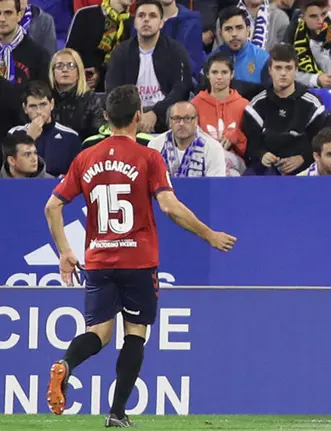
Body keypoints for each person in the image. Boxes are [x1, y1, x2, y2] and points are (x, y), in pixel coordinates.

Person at [43, 85, 236, 427]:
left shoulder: (85, 157)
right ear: (138, 118)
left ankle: (67, 364)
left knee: (99, 334)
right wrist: (209, 234)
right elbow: (169, 206)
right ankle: (117, 412)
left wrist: (65, 252)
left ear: (105, 118)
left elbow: (53, 206)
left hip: (99, 261)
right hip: (138, 261)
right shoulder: (149, 157)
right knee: (135, 333)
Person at [106, 0, 193, 133]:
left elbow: (181, 88)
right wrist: (134, 116)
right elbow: (113, 90)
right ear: (134, 22)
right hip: (129, 119)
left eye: (152, 16)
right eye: (141, 16)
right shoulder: (120, 53)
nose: (146, 20)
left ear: (161, 22)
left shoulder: (176, 51)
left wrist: (155, 113)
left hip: (166, 118)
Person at [243, 43, 327, 175]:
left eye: (288, 68)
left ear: (295, 70)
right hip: (267, 170)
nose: (283, 73)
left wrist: (303, 158)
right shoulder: (256, 105)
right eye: (278, 68)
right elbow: (252, 144)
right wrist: (262, 155)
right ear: (270, 70)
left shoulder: (313, 105)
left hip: (304, 169)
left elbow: (320, 143)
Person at [191, 52, 250, 176]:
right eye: (214, 72)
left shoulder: (244, 105)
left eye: (224, 72)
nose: (219, 77)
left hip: (235, 160)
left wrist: (237, 137)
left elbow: (252, 145)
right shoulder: (195, 104)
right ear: (207, 74)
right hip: (203, 161)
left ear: (232, 74)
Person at [9, 81, 81, 177]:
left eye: (43, 104)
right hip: (23, 188)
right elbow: (9, 172)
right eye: (33, 106)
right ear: (25, 108)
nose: (38, 111)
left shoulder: (70, 136)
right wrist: (29, 138)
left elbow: (78, 174)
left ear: (51, 104)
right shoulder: (14, 133)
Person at [65, 0, 134, 91]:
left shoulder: (133, 23)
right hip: (82, 87)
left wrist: (100, 74)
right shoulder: (85, 14)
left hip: (115, 91)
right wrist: (83, 74)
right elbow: (69, 54)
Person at [147, 101, 227, 177]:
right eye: (176, 118)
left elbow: (215, 187)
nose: (181, 123)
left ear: (196, 121)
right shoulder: (155, 146)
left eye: (187, 118)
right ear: (170, 122)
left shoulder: (213, 148)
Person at [48, 48, 105, 139]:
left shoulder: (92, 101)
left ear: (79, 71)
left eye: (70, 65)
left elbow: (96, 138)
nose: (65, 70)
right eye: (59, 66)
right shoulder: (45, 99)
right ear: (52, 72)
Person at [213, 6, 270, 85]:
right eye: (228, 29)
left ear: (248, 31)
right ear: (220, 33)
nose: (234, 34)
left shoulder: (263, 59)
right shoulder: (211, 61)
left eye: (239, 28)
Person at [0, 0, 50, 85]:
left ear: (19, 15)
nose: (2, 19)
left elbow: (42, 94)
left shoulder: (38, 55)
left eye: (8, 13)